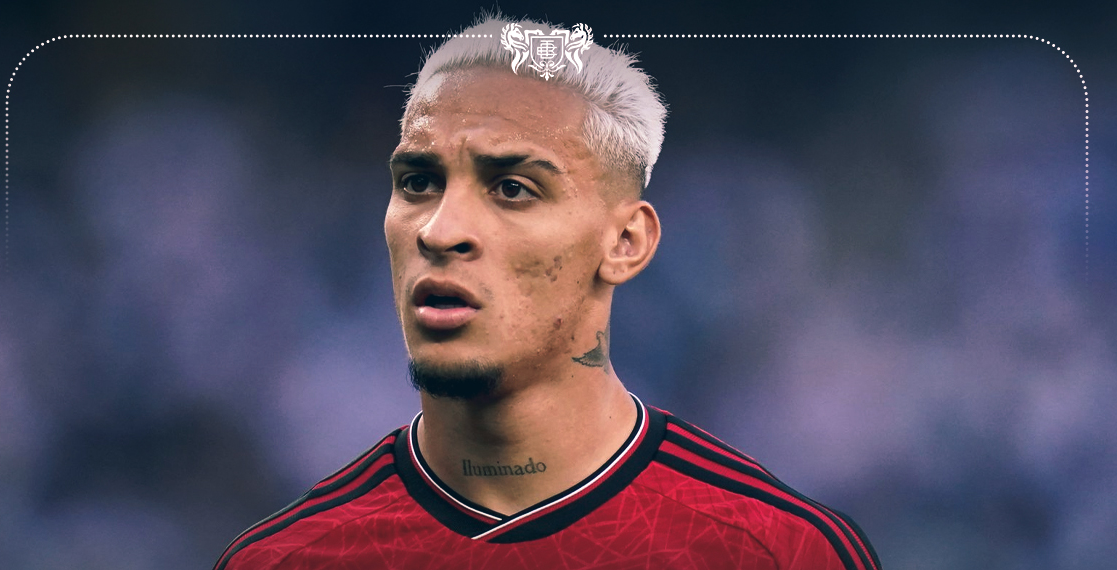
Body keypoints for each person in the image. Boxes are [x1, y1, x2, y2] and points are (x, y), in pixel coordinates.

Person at [214, 14, 881, 570]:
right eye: (418, 182)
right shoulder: (285, 559)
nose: (440, 231)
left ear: (625, 242)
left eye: (512, 188)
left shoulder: (775, 551)